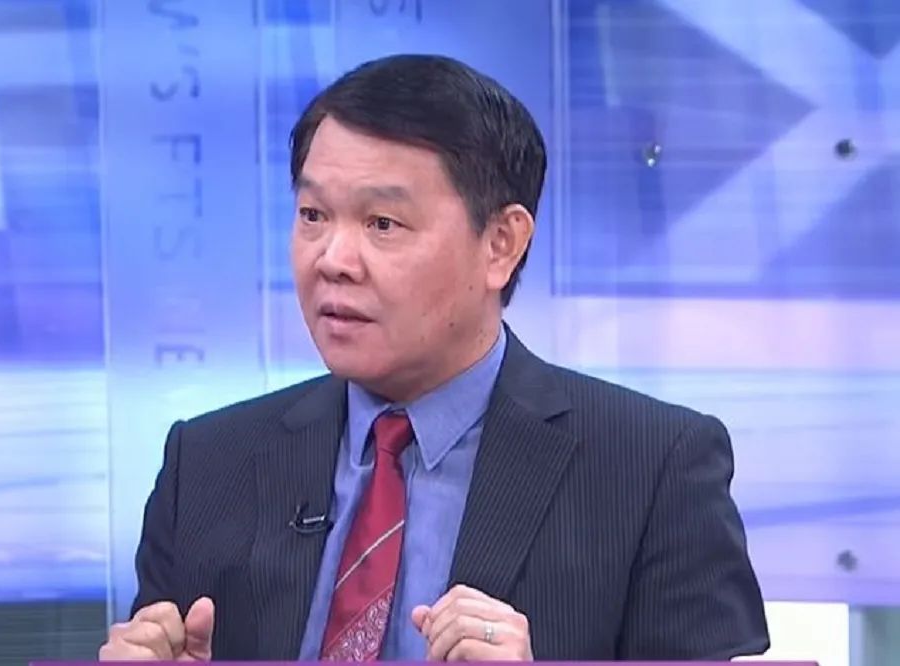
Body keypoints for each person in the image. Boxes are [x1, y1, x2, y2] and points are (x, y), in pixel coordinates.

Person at [98, 53, 769, 662]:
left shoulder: (651, 468)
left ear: (501, 244)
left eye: (382, 224)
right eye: (313, 215)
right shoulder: (208, 464)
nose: (333, 259)